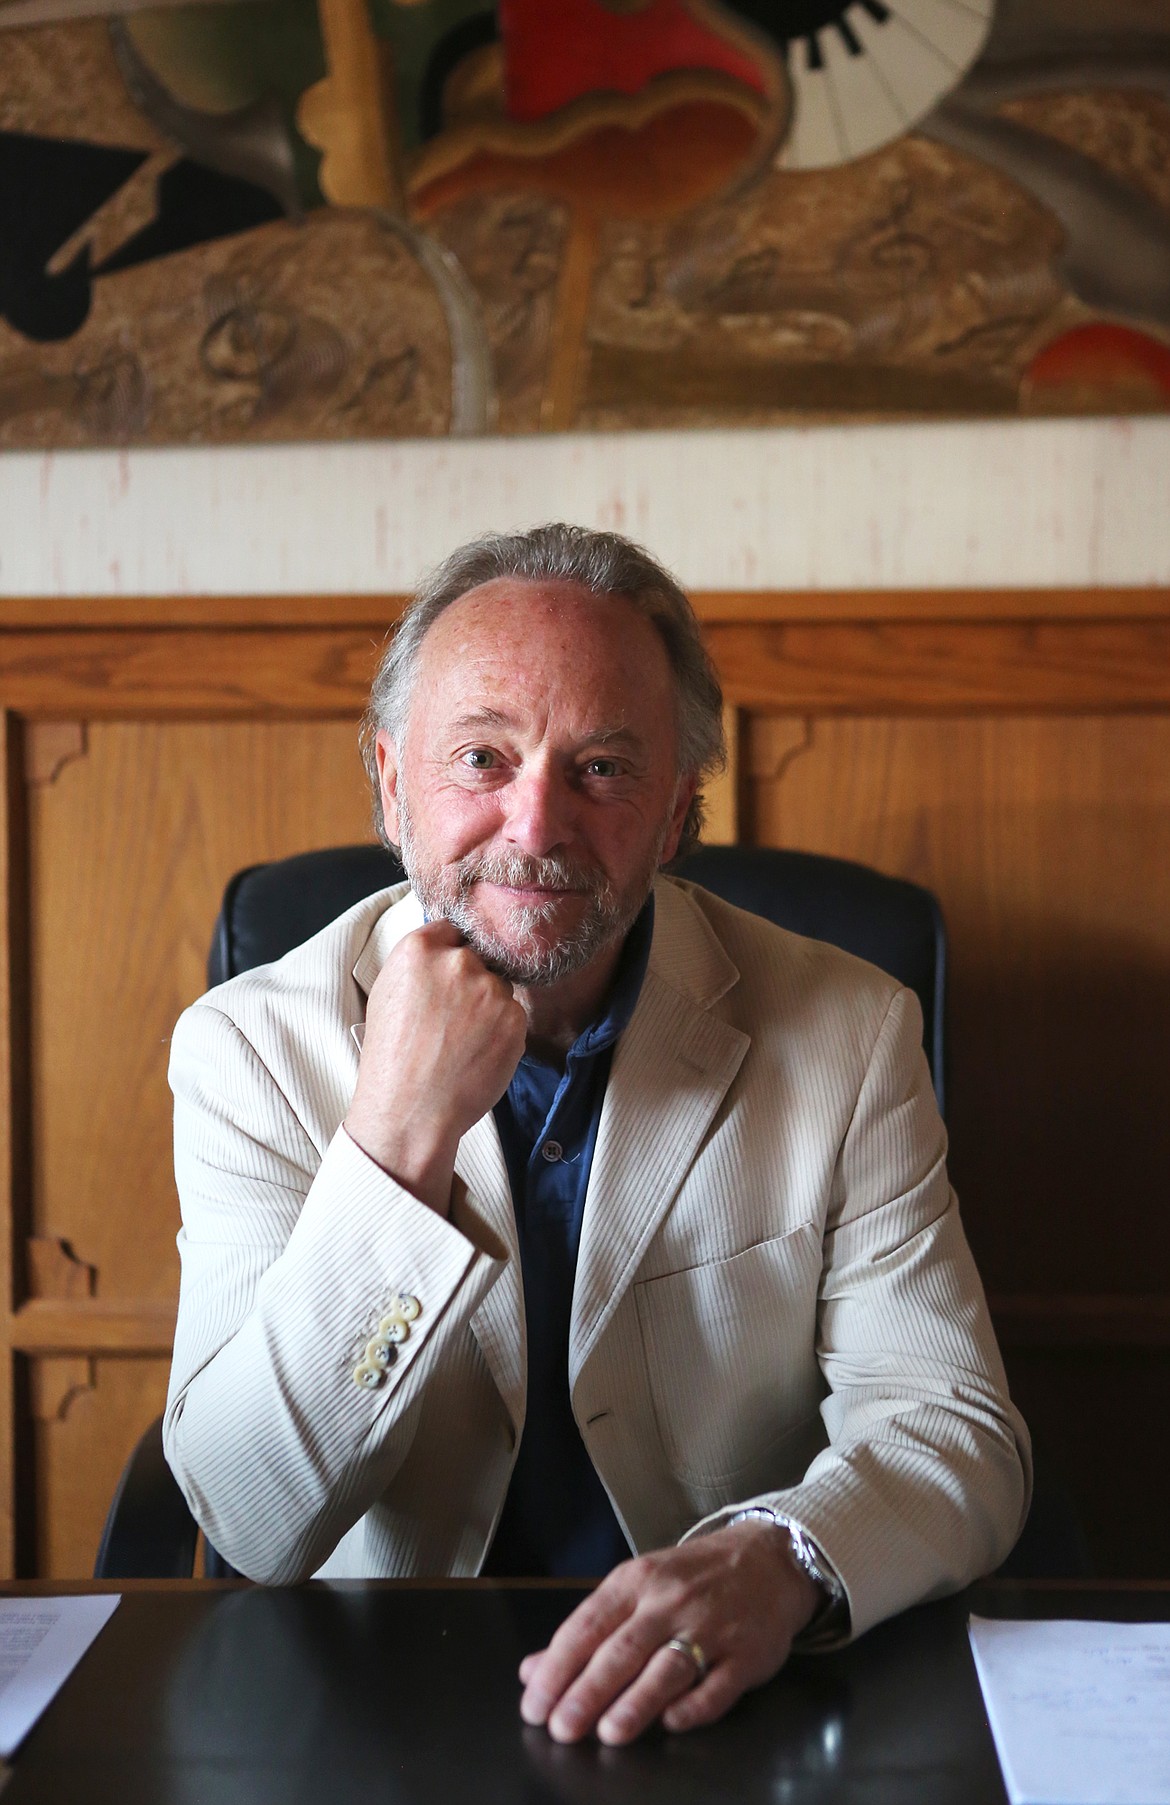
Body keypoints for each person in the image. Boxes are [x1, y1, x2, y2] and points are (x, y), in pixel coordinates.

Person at [165, 523, 1030, 1747]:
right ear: (393, 782)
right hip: (375, 1702)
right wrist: (395, 1141)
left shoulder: (852, 1032)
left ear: (679, 812)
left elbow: (957, 1431)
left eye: (606, 768)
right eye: (482, 756)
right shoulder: (248, 1048)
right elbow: (255, 1519)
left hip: (724, 1705)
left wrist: (781, 1557)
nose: (537, 824)